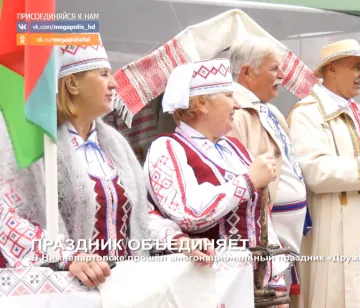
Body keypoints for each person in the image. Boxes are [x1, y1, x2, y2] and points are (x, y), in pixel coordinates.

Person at [0, 36, 152, 289]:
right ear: (72, 83)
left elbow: (142, 215)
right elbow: (5, 217)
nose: (114, 84)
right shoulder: (32, 141)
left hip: (123, 292)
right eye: (104, 74)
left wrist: (176, 237)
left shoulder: (115, 144)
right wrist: (66, 255)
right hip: (62, 294)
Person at [143, 58, 290, 296]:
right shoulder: (167, 149)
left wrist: (275, 282)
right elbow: (188, 214)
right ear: (201, 103)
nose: (238, 105)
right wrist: (247, 182)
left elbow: (261, 220)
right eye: (229, 96)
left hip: (250, 287)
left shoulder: (234, 148)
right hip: (203, 288)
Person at [287, 39, 360, 308]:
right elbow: (315, 172)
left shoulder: (356, 111)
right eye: (356, 66)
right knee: (336, 294)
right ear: (331, 69)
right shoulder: (308, 113)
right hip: (335, 227)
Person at [227, 36, 311, 294]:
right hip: (263, 235)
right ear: (247, 72)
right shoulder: (234, 111)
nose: (282, 75)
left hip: (284, 235)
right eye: (274, 68)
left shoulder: (270, 111)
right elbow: (235, 174)